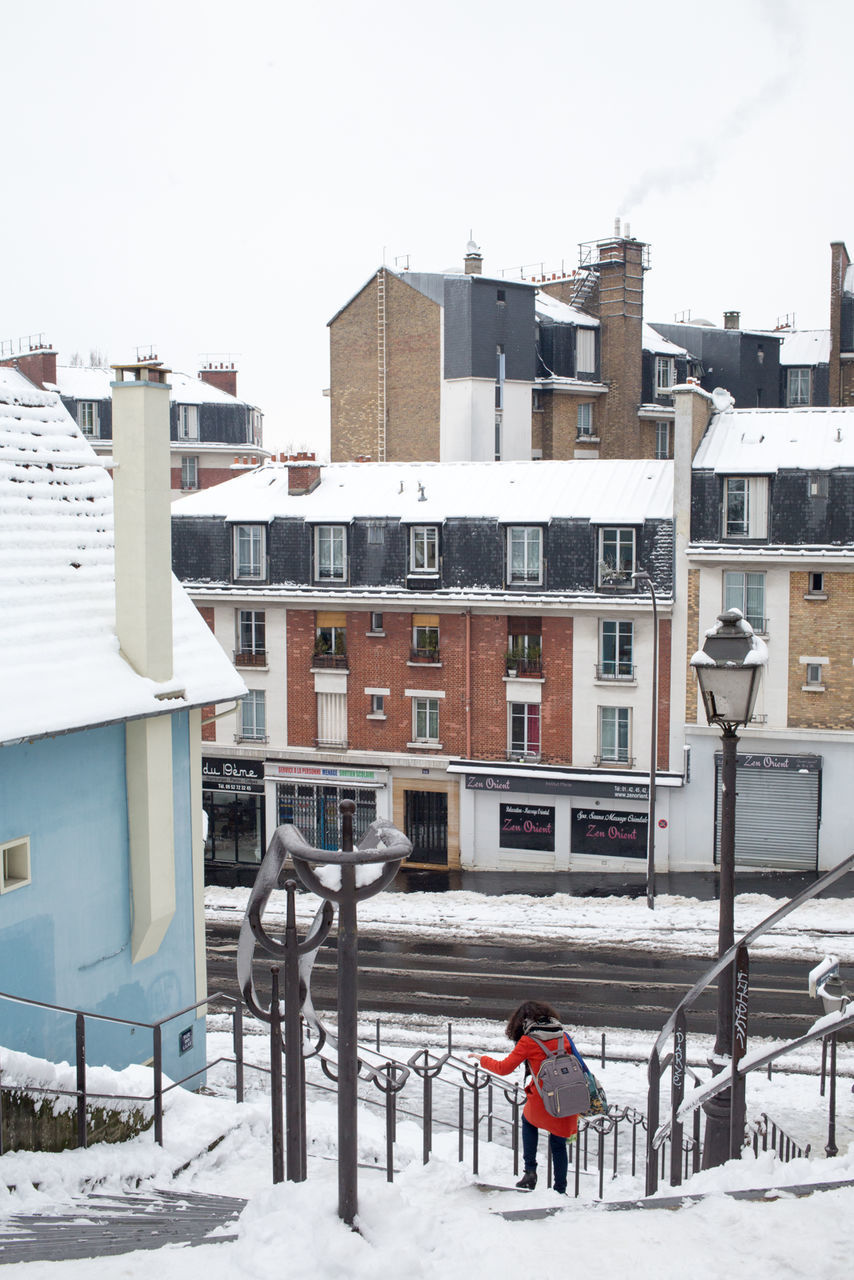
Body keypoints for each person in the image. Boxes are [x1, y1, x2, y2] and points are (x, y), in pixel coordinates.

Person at [476, 999, 579, 1193]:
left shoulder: (529, 1041)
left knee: (529, 1122)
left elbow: (503, 1068)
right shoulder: (563, 1036)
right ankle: (560, 1190)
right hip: (566, 1095)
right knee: (558, 1144)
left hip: (542, 1098)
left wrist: (482, 1059)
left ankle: (530, 1171)